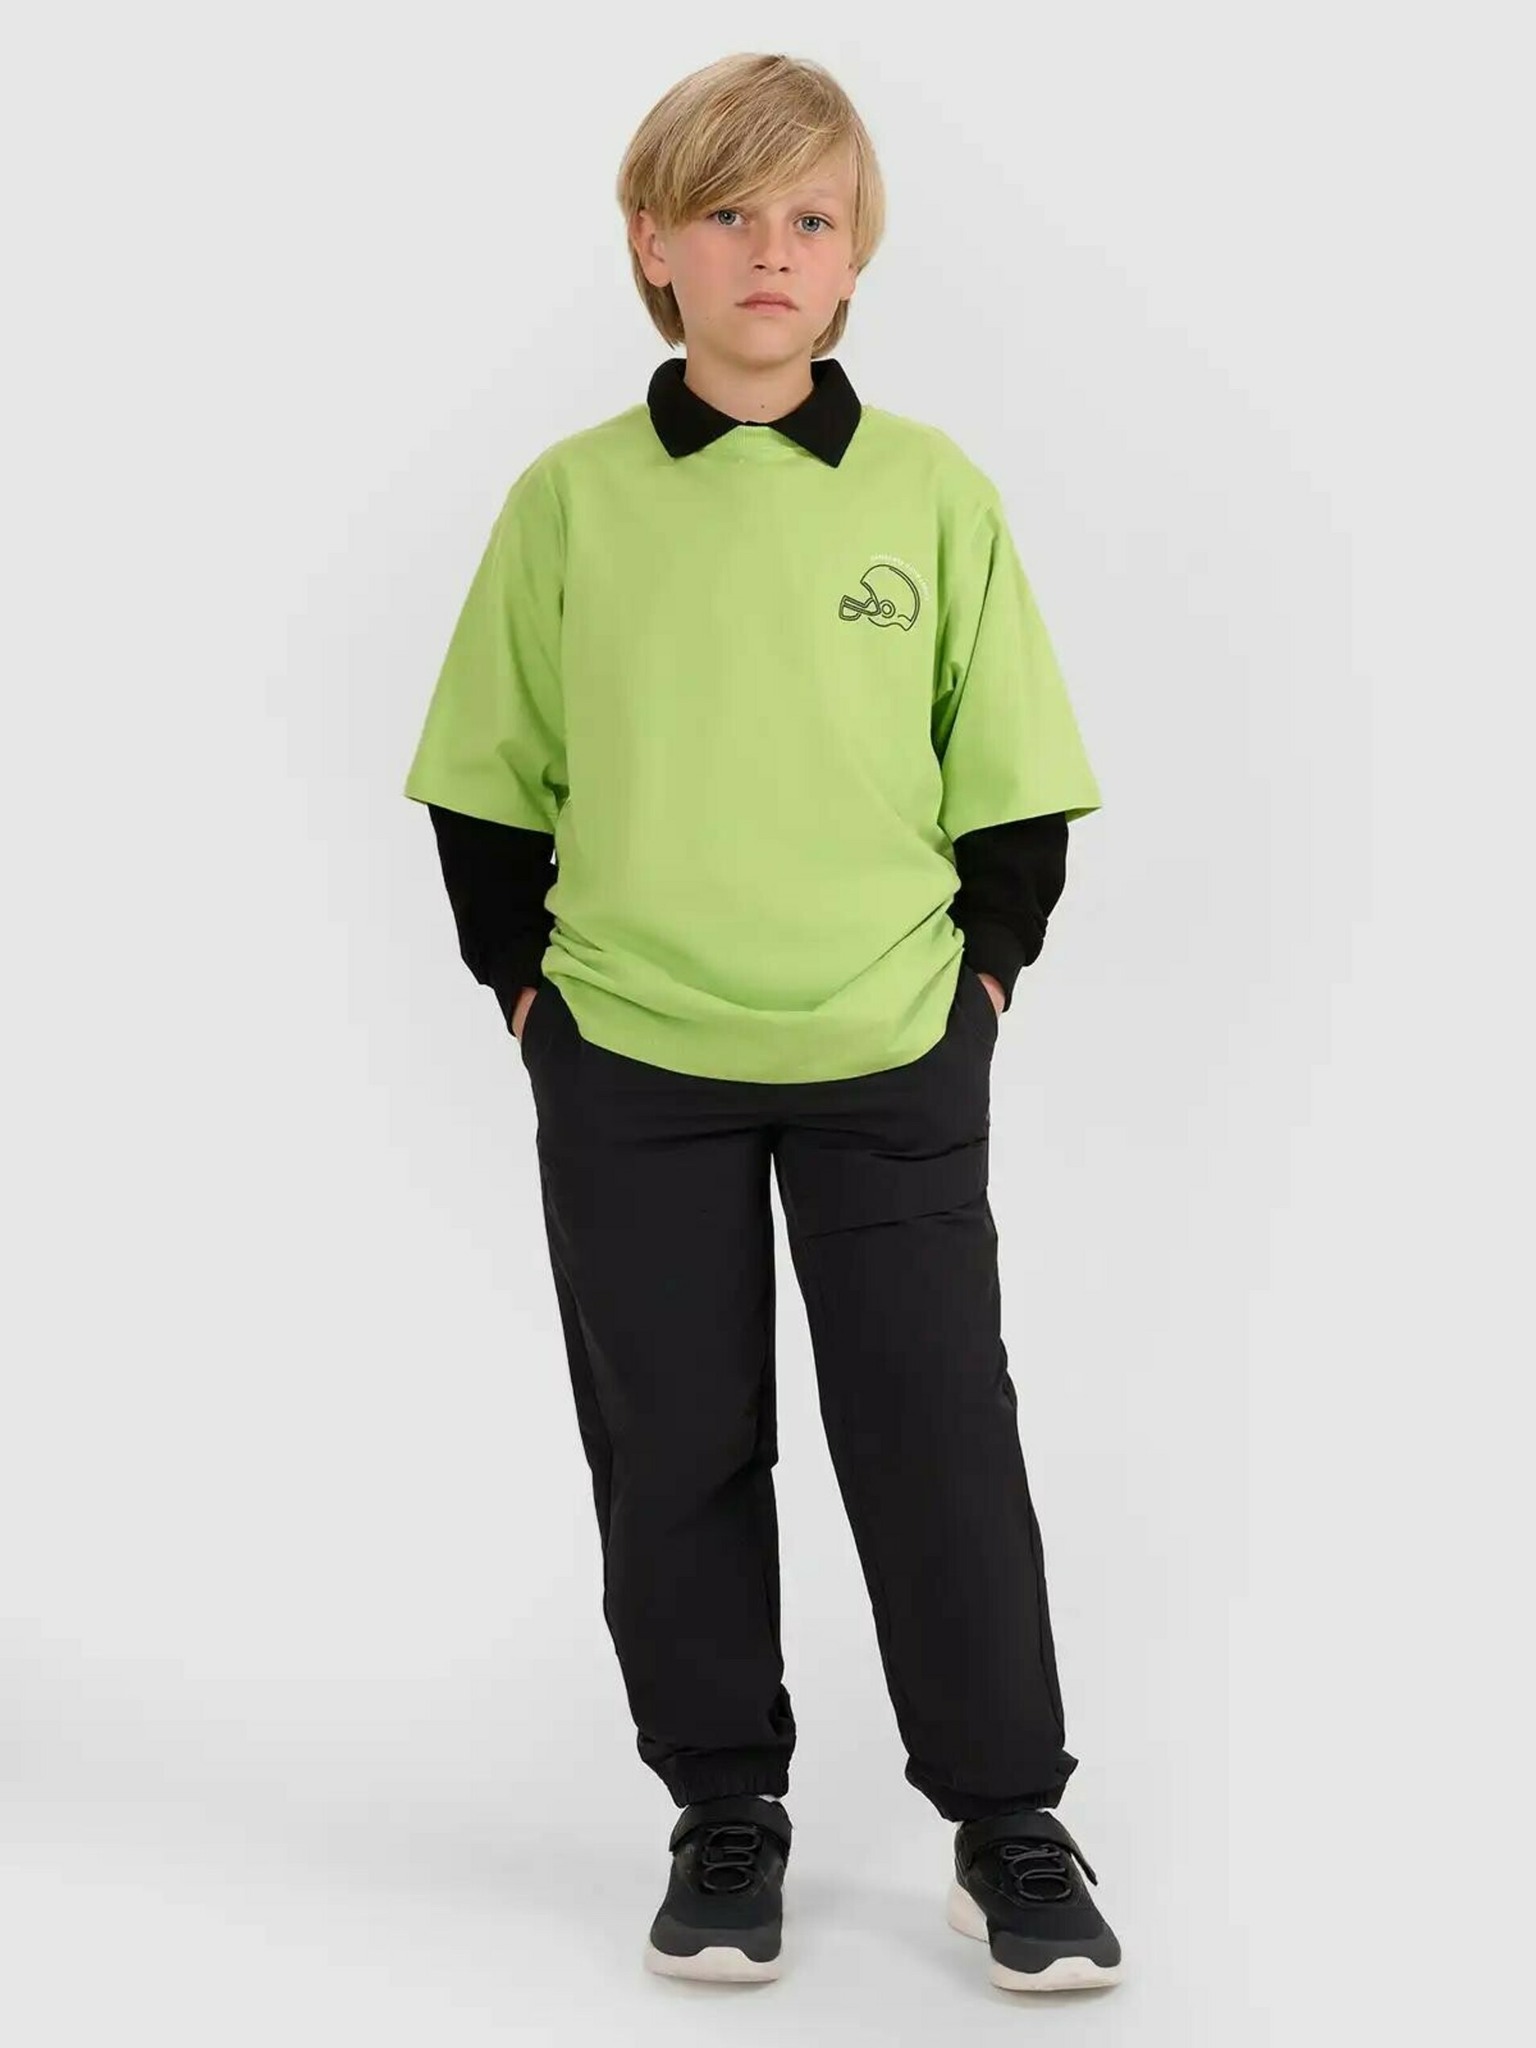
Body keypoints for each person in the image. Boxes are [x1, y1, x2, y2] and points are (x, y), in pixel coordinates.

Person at [402, 50, 1122, 1994]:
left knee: (936, 1434)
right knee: (676, 1446)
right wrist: (528, 993)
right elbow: (487, 777)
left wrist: (982, 981)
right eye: (728, 215)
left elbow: (1016, 774)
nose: (771, 250)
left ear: (857, 252)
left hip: (891, 1048)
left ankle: (1008, 1816)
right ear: (658, 247)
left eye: (810, 216)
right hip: (632, 1055)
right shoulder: (570, 503)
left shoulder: (931, 492)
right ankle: (725, 1807)